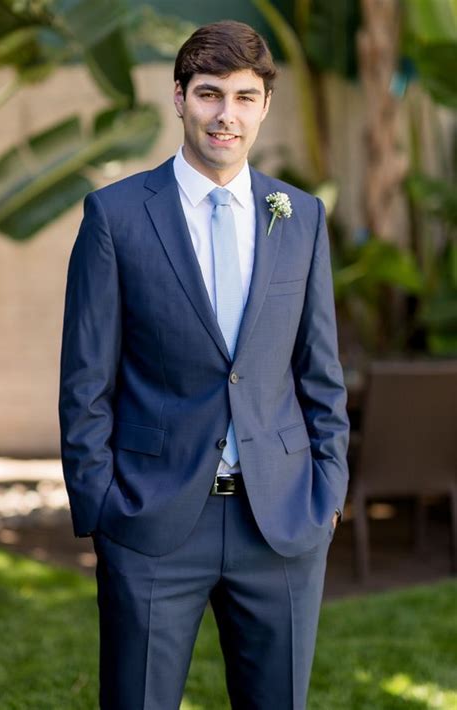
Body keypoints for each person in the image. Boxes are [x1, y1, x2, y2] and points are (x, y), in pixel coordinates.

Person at [59, 19, 349, 710]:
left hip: (280, 522)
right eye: (211, 94)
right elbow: (85, 382)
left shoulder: (300, 216)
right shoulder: (116, 217)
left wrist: (328, 492)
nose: (227, 115)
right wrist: (102, 504)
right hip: (151, 520)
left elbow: (320, 372)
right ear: (180, 98)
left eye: (245, 97)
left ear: (264, 106)